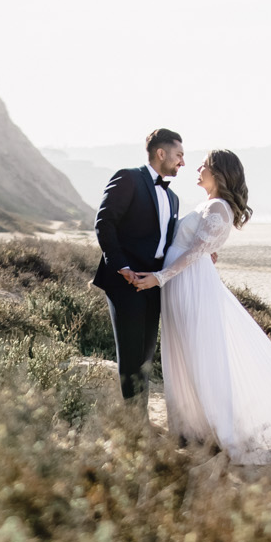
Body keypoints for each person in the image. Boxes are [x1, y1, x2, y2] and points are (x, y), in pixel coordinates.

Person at [127, 149, 271, 463]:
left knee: (200, 356)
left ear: (221, 173)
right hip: (182, 286)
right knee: (183, 354)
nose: (198, 168)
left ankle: (218, 428)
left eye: (205, 165)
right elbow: (197, 247)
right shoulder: (208, 205)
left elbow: (196, 252)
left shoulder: (219, 207)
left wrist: (159, 278)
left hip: (191, 288)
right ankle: (192, 428)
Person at [89, 129, 186, 402]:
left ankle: (138, 422)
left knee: (146, 357)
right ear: (161, 153)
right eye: (179, 155)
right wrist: (122, 267)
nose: (182, 162)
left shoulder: (173, 198)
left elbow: (169, 242)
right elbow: (104, 223)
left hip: (154, 284)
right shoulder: (128, 177)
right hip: (125, 282)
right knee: (131, 357)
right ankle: (135, 429)